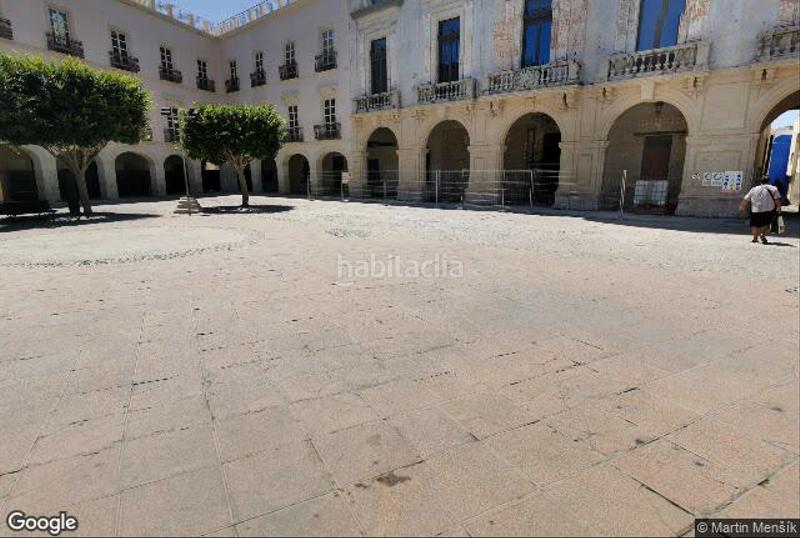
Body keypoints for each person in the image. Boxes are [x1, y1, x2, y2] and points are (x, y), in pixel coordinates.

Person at [741, 175, 781, 244]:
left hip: (755, 210)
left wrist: (742, 206)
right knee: (766, 223)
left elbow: (746, 199)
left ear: (760, 182)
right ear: (769, 181)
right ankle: (763, 234)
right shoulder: (773, 189)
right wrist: (779, 207)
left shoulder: (754, 189)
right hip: (768, 210)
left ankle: (755, 238)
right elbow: (777, 199)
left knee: (755, 224)